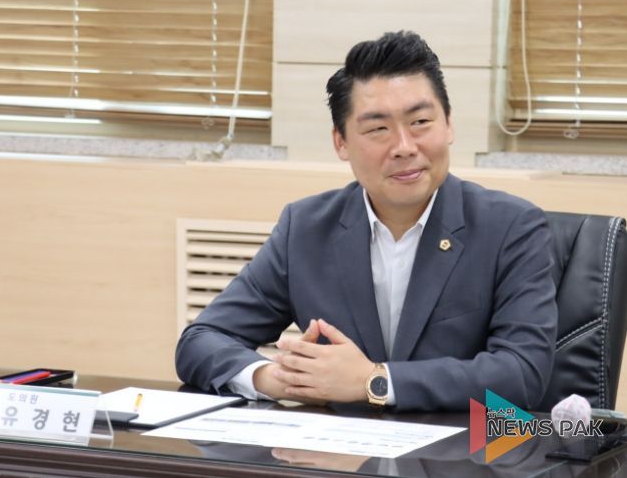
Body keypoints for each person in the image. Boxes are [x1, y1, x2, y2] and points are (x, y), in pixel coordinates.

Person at [175, 30, 557, 411]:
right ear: (341, 142)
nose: (405, 147)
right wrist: (276, 378)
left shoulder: (512, 227)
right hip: (338, 447)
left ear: (449, 124)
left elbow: (522, 373)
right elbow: (202, 340)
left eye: (421, 121)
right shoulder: (306, 228)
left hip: (462, 446)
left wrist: (374, 381)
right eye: (378, 129)